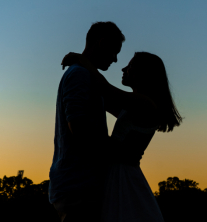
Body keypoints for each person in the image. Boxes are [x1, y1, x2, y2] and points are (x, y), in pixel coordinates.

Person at [61, 51, 182, 222]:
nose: (123, 69)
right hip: (119, 172)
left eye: (130, 66)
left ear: (143, 73)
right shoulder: (136, 105)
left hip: (123, 175)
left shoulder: (144, 104)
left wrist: (82, 60)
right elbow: (102, 99)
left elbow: (105, 89)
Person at [49, 21, 126, 222]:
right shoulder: (79, 75)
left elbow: (119, 110)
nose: (116, 60)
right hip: (78, 188)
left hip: (82, 186)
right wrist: (115, 150)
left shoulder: (86, 75)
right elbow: (79, 129)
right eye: (114, 52)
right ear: (101, 43)